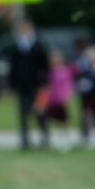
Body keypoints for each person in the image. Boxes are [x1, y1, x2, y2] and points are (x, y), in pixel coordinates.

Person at [8, 19, 49, 149]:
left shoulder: (38, 46)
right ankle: (25, 140)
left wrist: (44, 83)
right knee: (23, 113)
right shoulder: (17, 47)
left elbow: (45, 66)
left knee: (39, 112)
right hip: (22, 85)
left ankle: (44, 137)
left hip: (36, 85)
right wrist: (12, 85)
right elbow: (13, 68)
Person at [43, 50, 74, 150]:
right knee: (48, 119)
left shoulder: (64, 70)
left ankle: (64, 139)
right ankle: (48, 139)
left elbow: (68, 85)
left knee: (63, 120)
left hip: (61, 99)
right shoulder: (49, 71)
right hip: (51, 99)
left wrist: (67, 96)